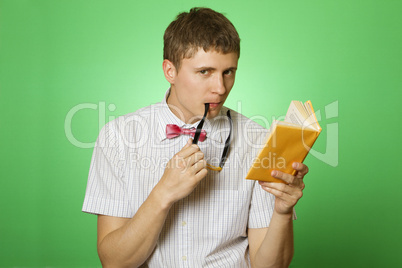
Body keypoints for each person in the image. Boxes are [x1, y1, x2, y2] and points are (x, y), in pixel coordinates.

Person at [82, 7, 308, 268]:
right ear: (170, 71)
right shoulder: (117, 137)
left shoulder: (258, 141)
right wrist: (162, 194)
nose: (220, 88)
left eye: (228, 72)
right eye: (204, 72)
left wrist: (282, 211)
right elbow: (114, 262)